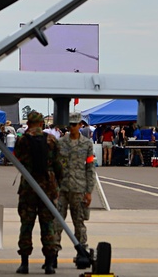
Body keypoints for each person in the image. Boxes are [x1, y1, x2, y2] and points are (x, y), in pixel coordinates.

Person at [15, 109, 62, 274]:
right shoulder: (51, 140)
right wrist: (58, 183)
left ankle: (24, 263)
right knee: (48, 225)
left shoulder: (22, 140)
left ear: (28, 123)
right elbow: (58, 165)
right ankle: (49, 264)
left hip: (28, 188)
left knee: (26, 225)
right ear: (42, 123)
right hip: (48, 188)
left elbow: (17, 158)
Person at [52, 112, 95, 269]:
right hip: (62, 189)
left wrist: (89, 191)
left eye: (75, 124)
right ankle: (53, 254)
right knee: (57, 222)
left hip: (79, 189)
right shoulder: (61, 143)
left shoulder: (87, 144)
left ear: (80, 125)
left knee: (79, 223)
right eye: (70, 124)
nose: (72, 127)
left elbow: (90, 168)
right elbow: (55, 166)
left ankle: (81, 252)